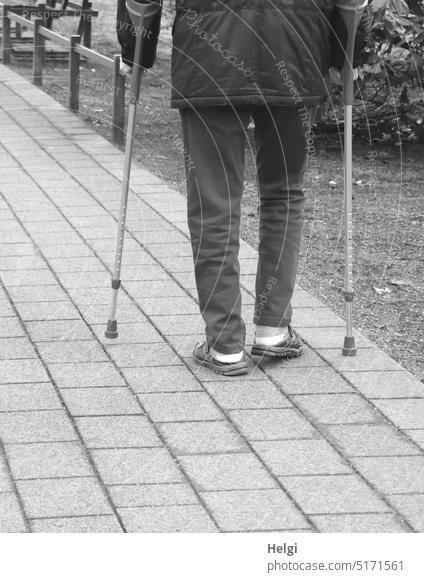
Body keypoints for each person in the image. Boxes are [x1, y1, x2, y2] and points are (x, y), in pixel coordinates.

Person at [118, 0, 339, 375]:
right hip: (296, 52)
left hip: (210, 60)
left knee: (213, 198)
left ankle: (223, 343)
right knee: (284, 193)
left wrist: (135, 49)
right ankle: (273, 327)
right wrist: (342, 52)